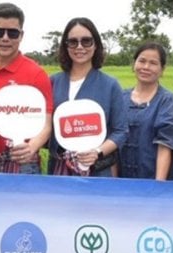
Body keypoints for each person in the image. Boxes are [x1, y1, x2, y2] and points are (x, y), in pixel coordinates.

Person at [0, 2, 52, 173]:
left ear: (21, 35)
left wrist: (31, 147)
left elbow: (46, 124)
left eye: (12, 33)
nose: (5, 38)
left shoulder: (36, 73)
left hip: (22, 162)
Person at [48, 16, 128, 176]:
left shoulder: (110, 85)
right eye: (73, 42)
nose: (79, 47)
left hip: (96, 171)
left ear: (96, 44)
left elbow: (121, 131)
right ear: (65, 46)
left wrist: (97, 152)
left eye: (86, 41)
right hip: (59, 170)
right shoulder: (52, 82)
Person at [119, 42, 173, 181]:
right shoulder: (120, 98)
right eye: (142, 61)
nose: (146, 67)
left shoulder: (167, 100)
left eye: (153, 63)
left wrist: (158, 185)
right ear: (133, 64)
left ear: (162, 69)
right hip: (124, 178)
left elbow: (166, 144)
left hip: (159, 179)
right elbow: (114, 140)